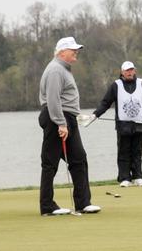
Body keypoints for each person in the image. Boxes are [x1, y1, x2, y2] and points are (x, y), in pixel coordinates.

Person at [38, 37, 101, 215]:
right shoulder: (56, 70)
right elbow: (52, 99)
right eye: (72, 50)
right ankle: (47, 206)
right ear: (62, 52)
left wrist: (72, 116)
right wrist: (60, 122)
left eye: (76, 49)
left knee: (79, 159)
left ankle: (83, 202)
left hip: (67, 118)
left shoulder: (63, 69)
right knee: (50, 163)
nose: (76, 52)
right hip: (57, 119)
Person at [91, 61, 142, 187]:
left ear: (134, 71)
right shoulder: (116, 85)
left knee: (137, 151)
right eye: (127, 70)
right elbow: (105, 103)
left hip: (140, 124)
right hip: (123, 125)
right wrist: (95, 115)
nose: (130, 72)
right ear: (122, 72)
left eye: (131, 70)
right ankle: (124, 178)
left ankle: (138, 177)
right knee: (123, 151)